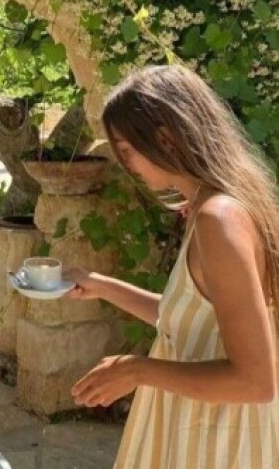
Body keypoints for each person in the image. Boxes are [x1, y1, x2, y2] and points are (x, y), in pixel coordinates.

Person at [67, 64, 279, 467]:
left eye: (128, 150)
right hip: (202, 430)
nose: (126, 164)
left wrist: (138, 371)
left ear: (165, 138)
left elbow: (256, 379)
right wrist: (100, 285)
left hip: (220, 447)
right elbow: (187, 323)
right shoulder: (208, 208)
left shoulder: (219, 219)